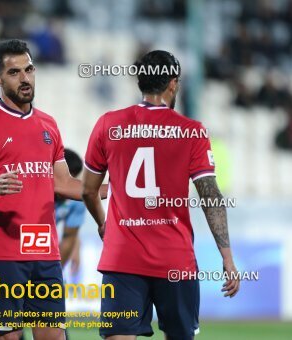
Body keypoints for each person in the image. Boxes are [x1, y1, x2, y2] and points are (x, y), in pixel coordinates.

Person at [81, 50, 240, 340]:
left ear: (140, 83)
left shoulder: (109, 124)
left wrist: (103, 223)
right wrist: (227, 258)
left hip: (122, 259)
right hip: (174, 260)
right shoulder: (191, 132)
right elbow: (211, 196)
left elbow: (88, 190)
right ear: (173, 84)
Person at [0, 39, 106, 340]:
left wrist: (112, 189)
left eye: (29, 69)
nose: (25, 78)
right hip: (3, 253)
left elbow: (63, 184)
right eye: (14, 72)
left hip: (45, 252)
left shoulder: (48, 124)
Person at [55, 149, 86, 271]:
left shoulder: (76, 201)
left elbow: (69, 236)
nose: (66, 186)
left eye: (71, 179)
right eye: (63, 179)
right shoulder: (32, 190)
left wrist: (55, 272)